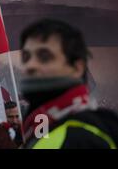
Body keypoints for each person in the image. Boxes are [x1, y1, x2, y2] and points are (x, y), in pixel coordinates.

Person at [20, 19, 118, 148]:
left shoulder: (82, 137)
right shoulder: (40, 125)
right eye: (26, 57)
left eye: (44, 56)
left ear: (77, 68)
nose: (30, 65)